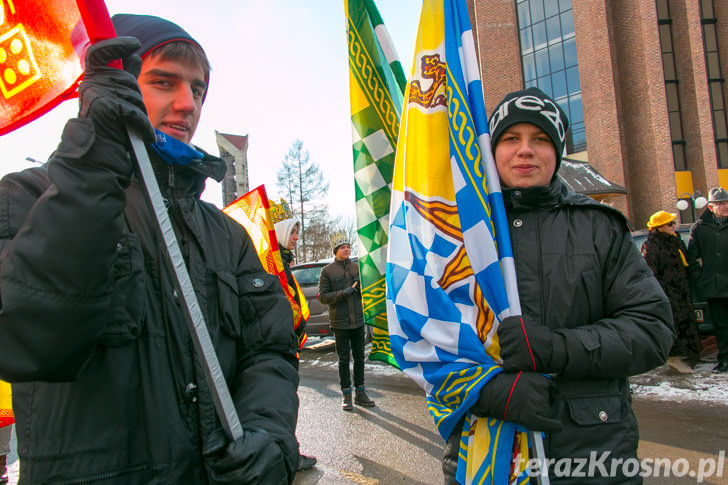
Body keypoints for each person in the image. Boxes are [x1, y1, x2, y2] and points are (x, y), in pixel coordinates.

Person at [0, 14, 300, 484]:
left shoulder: (227, 234)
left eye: (198, 90)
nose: (187, 104)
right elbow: (30, 341)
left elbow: (269, 353)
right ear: (109, 83)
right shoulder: (31, 197)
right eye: (163, 82)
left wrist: (270, 434)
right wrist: (93, 160)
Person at [442, 87, 674, 484]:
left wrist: (555, 347)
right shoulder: (459, 234)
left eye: (541, 139)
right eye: (511, 139)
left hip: (593, 457)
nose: (525, 150)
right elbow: (425, 334)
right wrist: (485, 391)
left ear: (559, 151)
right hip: (483, 454)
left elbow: (652, 330)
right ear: (490, 150)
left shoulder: (599, 227)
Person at [272, 200, 317, 472]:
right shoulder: (272, 263)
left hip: (288, 343)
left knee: (286, 400)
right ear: (279, 232)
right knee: (283, 402)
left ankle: (287, 453)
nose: (297, 238)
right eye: (293, 232)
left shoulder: (283, 261)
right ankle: (288, 456)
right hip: (279, 344)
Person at [318, 231, 376, 411]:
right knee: (344, 360)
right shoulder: (327, 271)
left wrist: (361, 286)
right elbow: (323, 297)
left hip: (358, 321)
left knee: (359, 358)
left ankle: (361, 392)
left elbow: (368, 290)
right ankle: (346, 395)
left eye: (348, 246)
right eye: (343, 247)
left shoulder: (357, 267)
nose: (346, 249)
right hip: (340, 323)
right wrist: (342, 293)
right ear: (336, 249)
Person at [641, 210, 701, 373]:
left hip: (681, 290)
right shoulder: (651, 245)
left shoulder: (676, 241)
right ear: (659, 227)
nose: (674, 226)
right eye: (669, 224)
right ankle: (673, 358)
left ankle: (687, 355)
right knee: (672, 324)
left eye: (674, 223)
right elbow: (650, 272)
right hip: (666, 292)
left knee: (685, 323)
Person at [687, 187, 728, 373]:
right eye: (720, 203)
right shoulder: (700, 227)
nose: (725, 206)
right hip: (714, 287)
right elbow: (691, 258)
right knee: (721, 326)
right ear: (711, 207)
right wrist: (701, 279)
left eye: (726, 202)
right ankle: (725, 359)